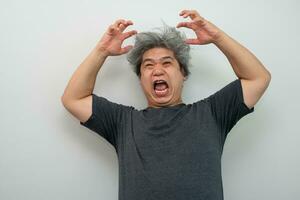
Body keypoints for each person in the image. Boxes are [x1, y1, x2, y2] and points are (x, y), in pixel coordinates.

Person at [61, 9, 271, 200]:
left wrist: (217, 37)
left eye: (167, 63)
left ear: (183, 74)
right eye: (148, 65)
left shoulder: (212, 112)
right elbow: (73, 98)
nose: (157, 70)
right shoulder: (122, 122)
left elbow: (258, 78)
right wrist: (101, 51)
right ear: (141, 78)